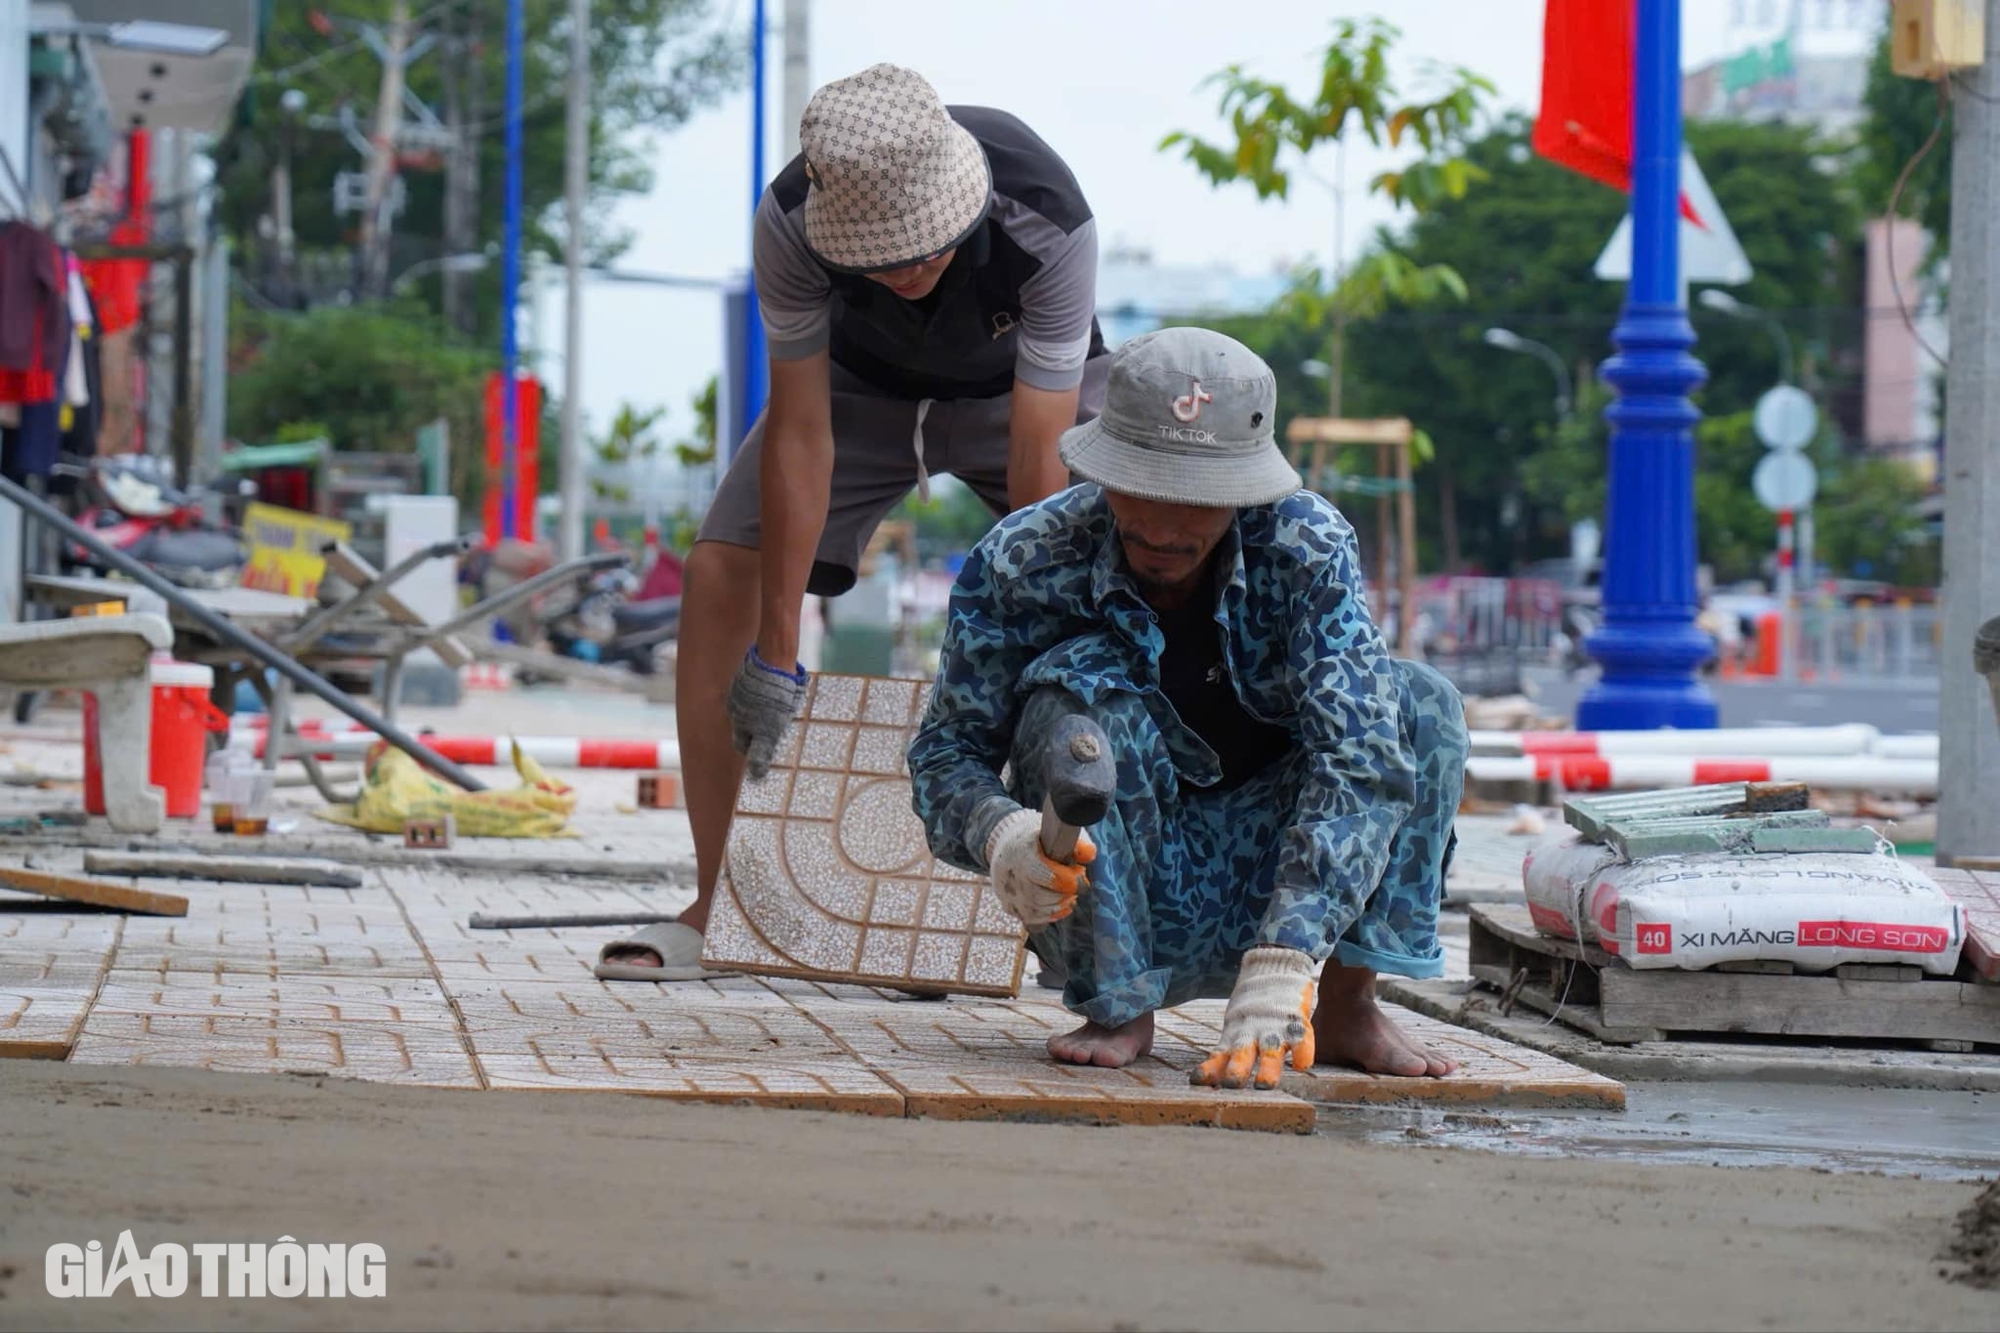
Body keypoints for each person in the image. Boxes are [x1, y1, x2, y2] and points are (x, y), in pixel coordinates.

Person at [597, 63, 1107, 980]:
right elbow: (799, 431)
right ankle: (723, 901)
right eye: (882, 254)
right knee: (720, 573)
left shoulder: (1047, 213)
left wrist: (1037, 651)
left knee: (1123, 576)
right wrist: (775, 658)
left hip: (1019, 395)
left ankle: (1077, 915)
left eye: (925, 246)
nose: (908, 269)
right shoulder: (789, 222)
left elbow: (1040, 464)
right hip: (857, 392)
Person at [907, 327, 1468, 1088]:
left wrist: (1286, 956)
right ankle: (1117, 1002)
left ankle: (1345, 1004)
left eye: (1197, 500)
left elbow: (1359, 755)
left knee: (1419, 705)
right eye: (1144, 484)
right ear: (1103, 467)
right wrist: (1000, 833)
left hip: (1285, 884)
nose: (1166, 527)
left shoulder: (1307, 546)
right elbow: (946, 753)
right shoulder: (1022, 560)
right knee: (1081, 704)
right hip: (1115, 886)